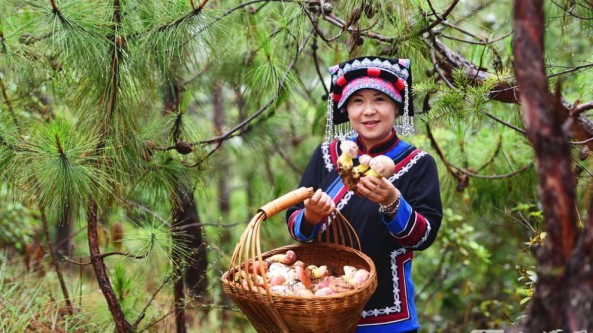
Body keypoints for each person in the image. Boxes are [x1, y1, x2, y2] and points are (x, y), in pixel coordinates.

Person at [286, 56, 442, 333]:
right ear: (346, 109)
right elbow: (296, 226)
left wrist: (392, 201)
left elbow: (424, 236)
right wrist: (310, 216)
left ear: (396, 106)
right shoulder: (326, 156)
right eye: (357, 101)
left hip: (388, 316)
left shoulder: (418, 163)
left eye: (379, 100)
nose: (368, 111)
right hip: (323, 309)